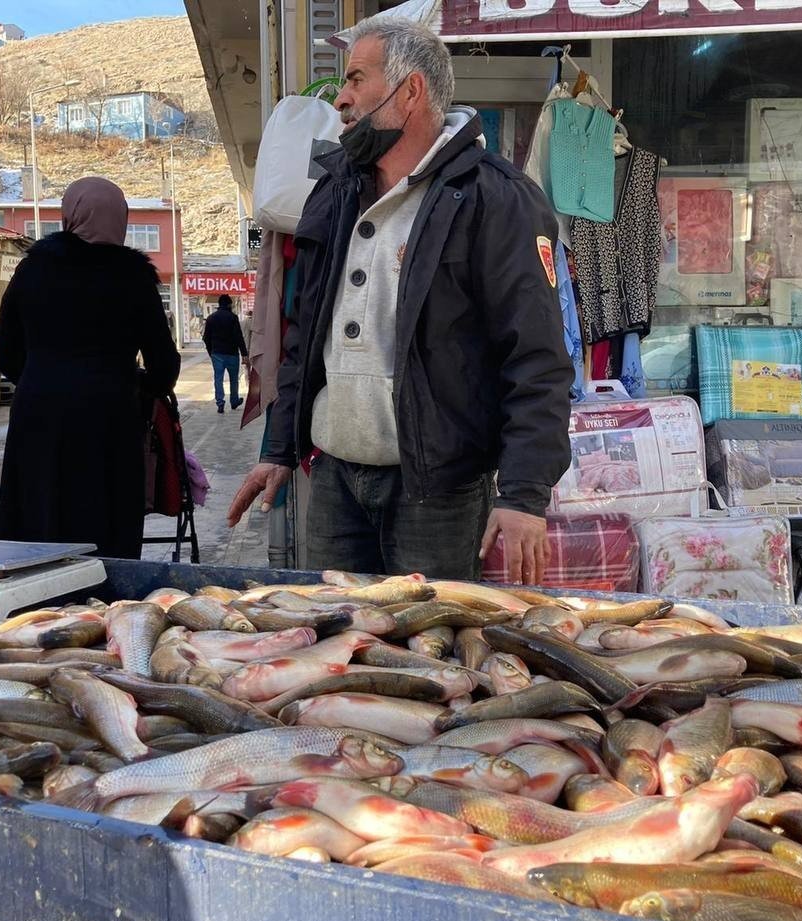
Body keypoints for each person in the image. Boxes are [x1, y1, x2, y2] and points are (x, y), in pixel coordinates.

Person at [227, 19, 572, 585]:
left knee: (425, 656)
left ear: (410, 91)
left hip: (438, 491)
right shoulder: (334, 189)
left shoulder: (496, 198)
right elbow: (303, 333)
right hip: (335, 478)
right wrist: (279, 447)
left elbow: (536, 357)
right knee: (337, 641)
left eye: (356, 79)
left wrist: (525, 492)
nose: (341, 98)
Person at [0, 176, 181, 559]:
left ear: (69, 215)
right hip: (109, 414)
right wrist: (140, 386)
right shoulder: (134, 278)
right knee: (106, 514)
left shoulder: (32, 271)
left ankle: (39, 604)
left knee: (40, 506)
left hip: (40, 413)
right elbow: (164, 362)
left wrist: (40, 378)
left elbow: (5, 349)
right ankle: (104, 606)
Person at [201, 293, 249, 413]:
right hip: (232, 353)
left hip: (217, 354)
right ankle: (234, 401)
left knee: (218, 379)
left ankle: (220, 403)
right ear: (229, 304)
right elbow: (239, 336)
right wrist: (244, 353)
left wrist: (210, 351)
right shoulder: (233, 317)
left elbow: (206, 337)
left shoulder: (211, 318)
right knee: (234, 379)